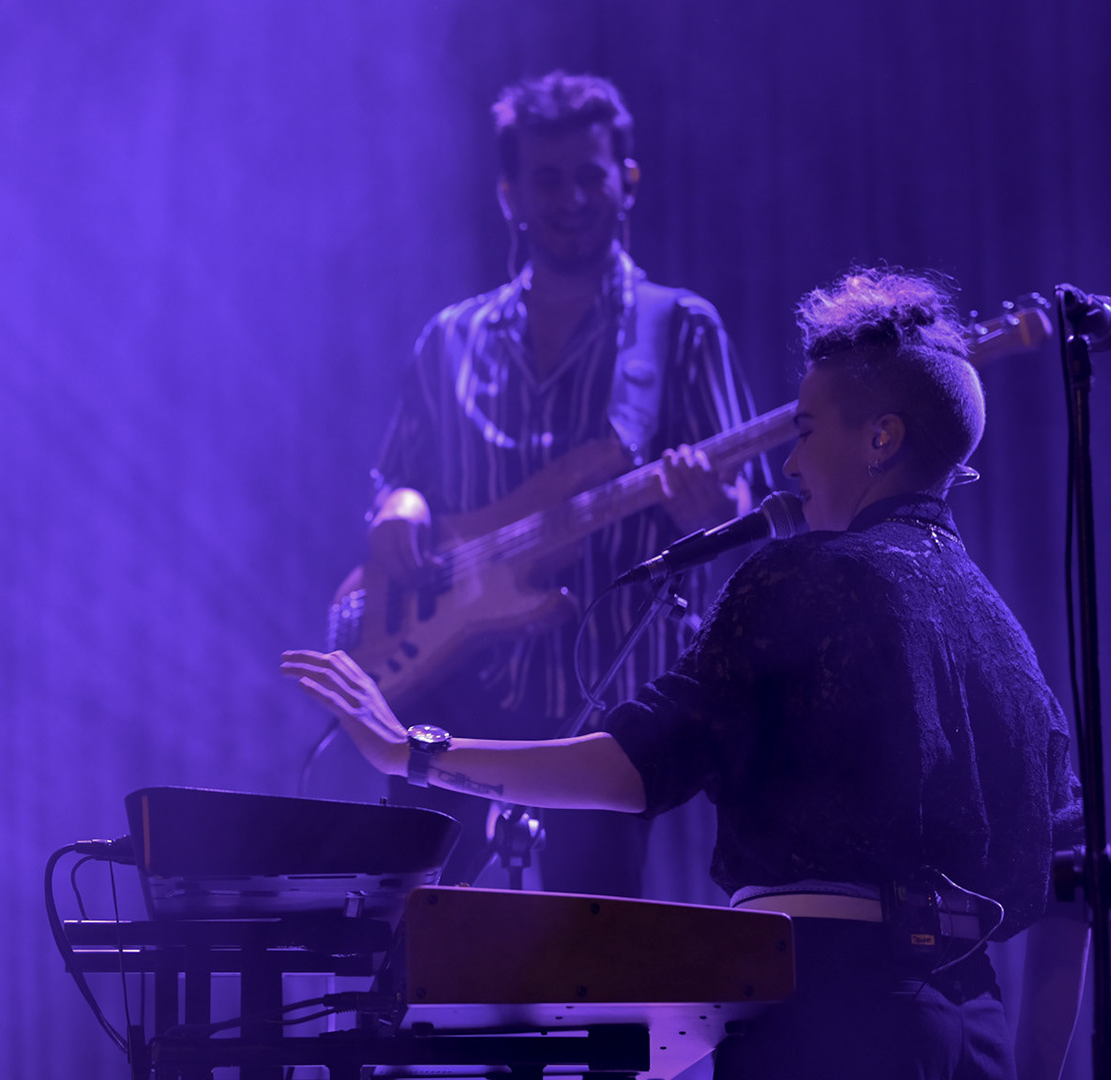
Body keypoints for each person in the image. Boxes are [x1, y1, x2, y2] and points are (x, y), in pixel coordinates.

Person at [288, 269, 1087, 1078]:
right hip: (977, 1028)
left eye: (806, 431)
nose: (790, 466)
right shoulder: (1009, 639)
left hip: (828, 1013)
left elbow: (633, 767)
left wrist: (412, 752)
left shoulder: (808, 573)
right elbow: (1074, 881)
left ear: (881, 439)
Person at [362, 71, 760, 896]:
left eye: (590, 176)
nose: (571, 198)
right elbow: (400, 475)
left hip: (608, 704)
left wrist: (713, 509)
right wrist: (397, 506)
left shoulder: (680, 328)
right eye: (548, 179)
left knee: (592, 953)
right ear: (509, 193)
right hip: (453, 693)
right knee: (421, 940)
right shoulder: (449, 339)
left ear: (628, 181)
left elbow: (742, 513)